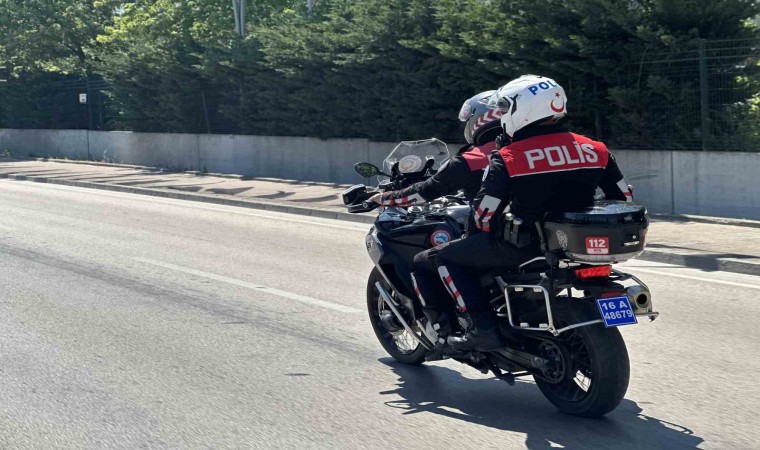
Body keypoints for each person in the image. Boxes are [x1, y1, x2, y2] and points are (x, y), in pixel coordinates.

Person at [423, 74, 634, 351]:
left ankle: (482, 330)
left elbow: (485, 213)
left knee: (441, 257)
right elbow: (623, 198)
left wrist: (479, 233)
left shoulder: (509, 156)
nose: (502, 114)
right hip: (569, 245)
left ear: (523, 109)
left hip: (520, 246)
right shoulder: (595, 148)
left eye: (505, 107)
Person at [369, 90, 504, 336]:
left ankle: (454, 330)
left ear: (477, 121)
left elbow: (425, 191)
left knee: (425, 262)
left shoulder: (472, 159)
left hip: (496, 238)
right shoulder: (524, 149)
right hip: (540, 236)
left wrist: (385, 198)